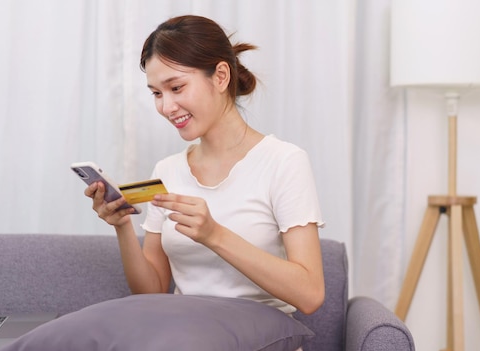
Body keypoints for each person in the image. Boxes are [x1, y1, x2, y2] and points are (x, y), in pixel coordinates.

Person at [85, 15, 325, 319]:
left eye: (177, 87)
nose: (166, 107)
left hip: (260, 337)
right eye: (157, 93)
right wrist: (122, 227)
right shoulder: (167, 171)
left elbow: (311, 294)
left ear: (221, 76)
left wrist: (214, 235)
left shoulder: (283, 162)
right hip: (186, 335)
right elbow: (153, 291)